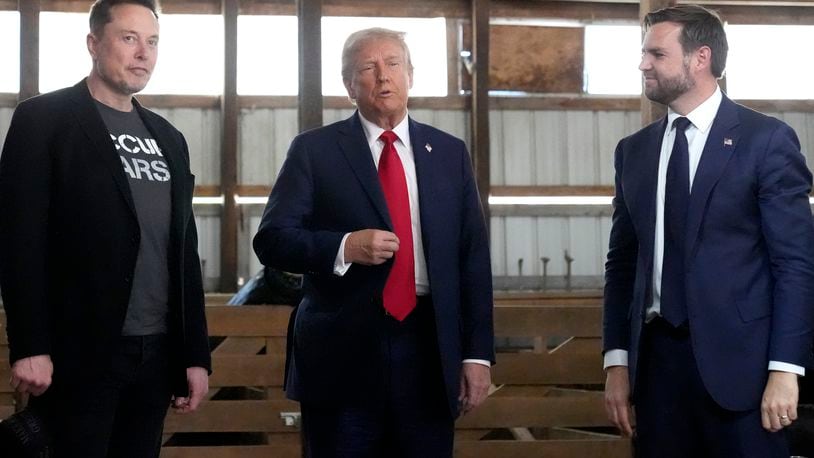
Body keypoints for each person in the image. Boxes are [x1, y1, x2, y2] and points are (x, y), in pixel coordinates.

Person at [253, 27, 494, 457]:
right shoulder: (314, 151)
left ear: (411, 76)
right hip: (341, 354)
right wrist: (344, 247)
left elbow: (472, 259)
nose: (384, 76)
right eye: (368, 67)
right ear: (349, 85)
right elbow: (272, 240)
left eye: (394, 64)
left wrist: (477, 355)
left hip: (428, 346)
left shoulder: (450, 153)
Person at [0, 0, 211, 456]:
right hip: (78, 351)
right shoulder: (43, 120)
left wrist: (195, 354)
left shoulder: (168, 138)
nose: (144, 53)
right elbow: (19, 239)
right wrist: (29, 344)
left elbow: (182, 250)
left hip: (155, 354)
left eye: (152, 42)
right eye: (129, 38)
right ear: (94, 43)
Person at [602, 4, 814, 457]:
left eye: (656, 54)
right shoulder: (633, 152)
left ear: (700, 58)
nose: (643, 64)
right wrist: (616, 362)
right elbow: (621, 265)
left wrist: (785, 369)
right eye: (644, 54)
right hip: (656, 369)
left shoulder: (766, 141)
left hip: (745, 372)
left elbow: (795, 264)